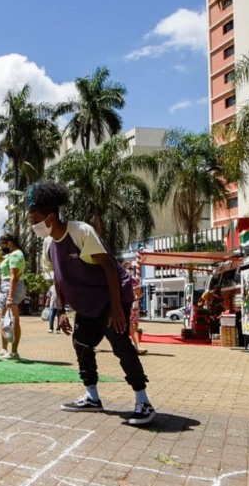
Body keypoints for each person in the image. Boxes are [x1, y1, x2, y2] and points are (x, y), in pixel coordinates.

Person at [27, 181, 156, 426]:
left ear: (50, 217)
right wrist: (61, 311)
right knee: (82, 344)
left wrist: (117, 308)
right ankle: (92, 397)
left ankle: (143, 401)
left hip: (111, 298)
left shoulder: (79, 232)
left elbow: (108, 266)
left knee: (120, 345)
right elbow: (58, 277)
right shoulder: (48, 244)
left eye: (35, 219)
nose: (32, 226)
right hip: (86, 306)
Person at [0, 233, 25, 360]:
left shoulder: (16, 255)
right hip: (4, 287)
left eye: (3, 245)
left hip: (11, 287)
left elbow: (14, 277)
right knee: (3, 319)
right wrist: (1, 247)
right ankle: (5, 348)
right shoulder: (9, 255)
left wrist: (10, 297)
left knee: (14, 319)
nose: (1, 248)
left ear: (9, 243)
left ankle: (14, 351)